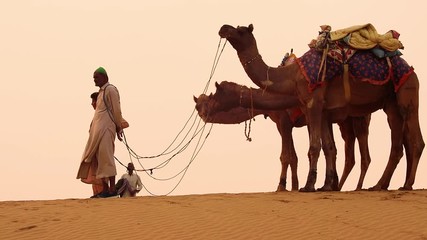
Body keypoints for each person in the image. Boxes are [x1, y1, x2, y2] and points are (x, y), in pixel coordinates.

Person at [77, 67, 127, 198]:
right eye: (93, 78)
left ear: (104, 77)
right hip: (97, 133)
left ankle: (111, 190)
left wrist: (119, 127)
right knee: (99, 161)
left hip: (106, 130)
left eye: (96, 78)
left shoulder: (111, 90)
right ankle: (104, 189)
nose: (94, 80)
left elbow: (117, 111)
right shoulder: (100, 93)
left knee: (107, 159)